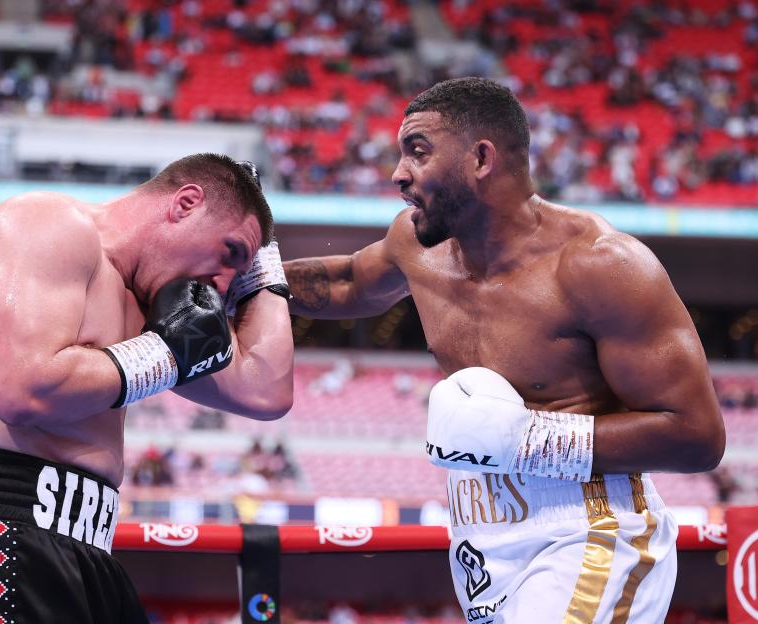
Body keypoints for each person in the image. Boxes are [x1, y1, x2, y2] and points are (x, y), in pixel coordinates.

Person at [283, 78, 725, 623]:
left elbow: (697, 436)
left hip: (590, 529)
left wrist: (526, 441)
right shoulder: (418, 245)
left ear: (481, 159)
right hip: (480, 537)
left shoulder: (600, 264)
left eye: (417, 153)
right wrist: (241, 284)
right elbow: (350, 281)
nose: (398, 174)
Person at [0, 154, 294, 623]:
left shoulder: (157, 308)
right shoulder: (49, 223)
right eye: (229, 253)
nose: (224, 284)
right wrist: (164, 356)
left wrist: (262, 255)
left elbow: (266, 390)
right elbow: (21, 390)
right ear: (185, 203)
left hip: (87, 544)